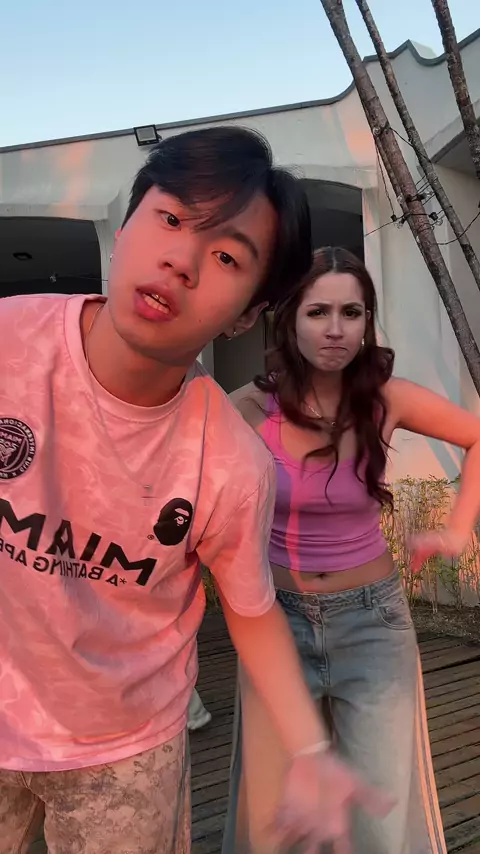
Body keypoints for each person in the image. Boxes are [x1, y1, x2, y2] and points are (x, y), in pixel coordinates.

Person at [0, 132, 387, 854]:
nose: (181, 260)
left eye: (227, 257)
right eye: (172, 218)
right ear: (125, 225)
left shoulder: (230, 461)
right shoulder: (8, 342)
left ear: (246, 314)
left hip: (125, 751)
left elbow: (252, 610)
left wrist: (310, 750)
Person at [226, 246, 480, 854]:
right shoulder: (248, 407)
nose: (336, 329)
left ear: (368, 321)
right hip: (276, 623)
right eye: (318, 312)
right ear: (289, 317)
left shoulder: (386, 398)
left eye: (352, 312)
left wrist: (456, 530)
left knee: (377, 819)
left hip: (372, 625)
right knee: (277, 820)